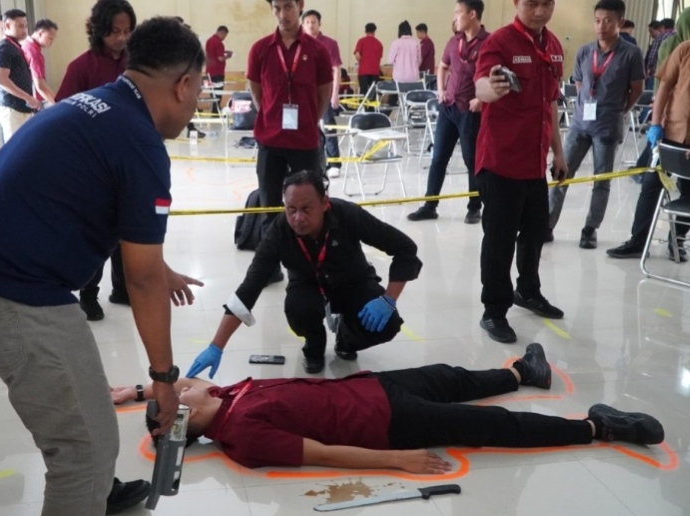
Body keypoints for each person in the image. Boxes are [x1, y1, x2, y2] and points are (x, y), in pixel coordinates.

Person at [0, 17, 205, 515]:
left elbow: (118, 224)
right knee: (85, 450)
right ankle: (87, 488)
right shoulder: (140, 143)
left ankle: (95, 495)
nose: (196, 104)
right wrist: (164, 380)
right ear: (183, 83)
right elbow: (141, 279)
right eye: (199, 90)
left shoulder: (97, 103)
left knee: (89, 413)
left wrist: (160, 268)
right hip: (7, 291)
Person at [118, 343, 665, 472]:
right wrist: (397, 461)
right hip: (389, 423)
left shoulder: (226, 396)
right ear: (185, 419)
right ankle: (599, 428)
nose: (186, 386)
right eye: (178, 397)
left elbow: (183, 380)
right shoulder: (242, 436)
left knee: (450, 378)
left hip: (371, 388)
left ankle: (524, 373)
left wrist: (141, 392)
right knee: (493, 425)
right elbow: (321, 453)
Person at [187, 170, 422, 376]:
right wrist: (216, 346)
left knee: (387, 324)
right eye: (291, 209)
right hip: (307, 285)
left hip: (354, 281)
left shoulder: (347, 214)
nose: (298, 218)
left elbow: (405, 248)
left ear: (324, 203)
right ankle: (314, 347)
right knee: (299, 311)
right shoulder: (278, 233)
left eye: (306, 209)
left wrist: (388, 299)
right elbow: (249, 289)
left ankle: (346, 341)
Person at [473, 0, 566, 344]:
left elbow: (551, 102)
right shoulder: (499, 42)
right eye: (531, 4)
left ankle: (527, 291)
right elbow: (481, 85)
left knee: (536, 231)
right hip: (501, 161)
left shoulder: (553, 45)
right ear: (516, 3)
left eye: (547, 4)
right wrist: (492, 90)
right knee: (499, 240)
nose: (540, 11)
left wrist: (559, 152)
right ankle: (494, 310)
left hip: (534, 162)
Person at [56, 0, 137, 322]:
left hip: (127, 160)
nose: (121, 38)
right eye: (114, 31)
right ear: (99, 30)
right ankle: (88, 293)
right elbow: (63, 113)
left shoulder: (136, 63)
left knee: (126, 227)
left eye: (127, 31)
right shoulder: (81, 67)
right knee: (97, 231)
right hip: (92, 164)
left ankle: (123, 288)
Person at [547, 0, 644, 249]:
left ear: (620, 22)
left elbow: (636, 89)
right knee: (561, 174)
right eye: (597, 21)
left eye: (608, 21)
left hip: (607, 127)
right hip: (580, 124)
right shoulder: (584, 51)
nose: (601, 26)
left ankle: (590, 229)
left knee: (601, 181)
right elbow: (580, 84)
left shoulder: (631, 54)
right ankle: (546, 224)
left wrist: (620, 110)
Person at [248, 0, 332, 283]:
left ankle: (308, 267)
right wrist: (270, 117)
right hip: (270, 142)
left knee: (308, 207)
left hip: (304, 143)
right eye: (277, 8)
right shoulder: (260, 49)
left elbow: (323, 94)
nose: (282, 14)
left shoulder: (318, 51)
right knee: (270, 207)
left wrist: (307, 121)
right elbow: (256, 90)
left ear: (300, 5)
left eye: (288, 7)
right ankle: (270, 268)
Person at [607, 8, 690, 262]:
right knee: (651, 187)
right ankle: (637, 241)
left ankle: (677, 240)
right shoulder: (684, 50)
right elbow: (664, 86)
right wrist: (655, 124)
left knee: (689, 194)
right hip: (671, 133)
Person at [408, 0, 488, 224]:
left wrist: (481, 99)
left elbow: (495, 76)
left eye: (458, 12)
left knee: (471, 161)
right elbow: (443, 67)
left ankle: (474, 207)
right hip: (449, 108)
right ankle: (429, 205)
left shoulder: (489, 43)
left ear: (472, 14)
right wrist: (441, 91)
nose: (454, 17)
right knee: (438, 158)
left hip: (470, 111)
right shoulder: (454, 42)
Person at [301, 10, 342, 179]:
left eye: (314, 22)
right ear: (303, 25)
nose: (311, 25)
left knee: (328, 127)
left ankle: (334, 163)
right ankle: (311, 162)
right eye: (307, 22)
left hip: (324, 94)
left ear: (319, 24)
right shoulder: (298, 43)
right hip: (304, 95)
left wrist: (335, 94)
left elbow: (336, 69)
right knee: (307, 129)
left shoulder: (330, 44)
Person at [0, 8, 39, 141]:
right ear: (7, 25)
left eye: (25, 26)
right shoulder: (4, 47)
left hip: (21, 107)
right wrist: (27, 97)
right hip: (12, 107)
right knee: (15, 146)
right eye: (20, 26)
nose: (24, 30)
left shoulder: (13, 46)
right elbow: (1, 79)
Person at [22, 18, 58, 106]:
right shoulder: (34, 52)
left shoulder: (24, 43)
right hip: (31, 100)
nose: (52, 42)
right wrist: (58, 104)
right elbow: (40, 86)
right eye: (50, 38)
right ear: (40, 33)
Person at [205, 25, 232, 114]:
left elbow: (213, 53)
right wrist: (228, 56)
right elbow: (220, 58)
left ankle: (214, 110)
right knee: (218, 92)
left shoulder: (209, 40)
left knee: (212, 93)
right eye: (225, 35)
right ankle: (216, 111)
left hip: (209, 71)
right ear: (222, 33)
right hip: (217, 72)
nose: (224, 38)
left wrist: (224, 52)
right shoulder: (219, 43)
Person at [354, 22, 383, 103]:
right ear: (374, 31)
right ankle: (371, 108)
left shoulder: (361, 41)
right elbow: (379, 57)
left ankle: (363, 108)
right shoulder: (379, 43)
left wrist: (362, 62)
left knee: (363, 91)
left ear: (365, 31)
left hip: (363, 71)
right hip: (375, 71)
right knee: (373, 92)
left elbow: (357, 55)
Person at [645, 18, 675, 90]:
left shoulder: (660, 37)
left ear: (663, 27)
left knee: (652, 91)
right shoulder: (676, 37)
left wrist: (649, 67)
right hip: (672, 71)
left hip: (657, 70)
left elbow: (653, 54)